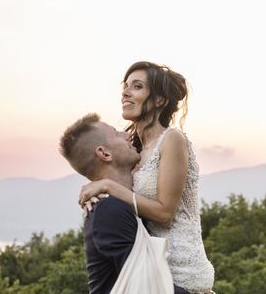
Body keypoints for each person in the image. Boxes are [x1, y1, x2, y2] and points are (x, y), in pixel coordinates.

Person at [79, 62, 215, 294]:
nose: (126, 92)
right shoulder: (134, 151)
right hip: (148, 270)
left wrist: (108, 186)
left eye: (137, 86)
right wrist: (96, 194)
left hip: (182, 273)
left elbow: (164, 213)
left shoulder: (172, 140)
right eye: (125, 86)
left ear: (160, 100)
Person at [59, 113, 187, 294]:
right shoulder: (109, 209)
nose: (127, 135)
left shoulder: (123, 204)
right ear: (104, 153)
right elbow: (147, 285)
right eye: (116, 133)